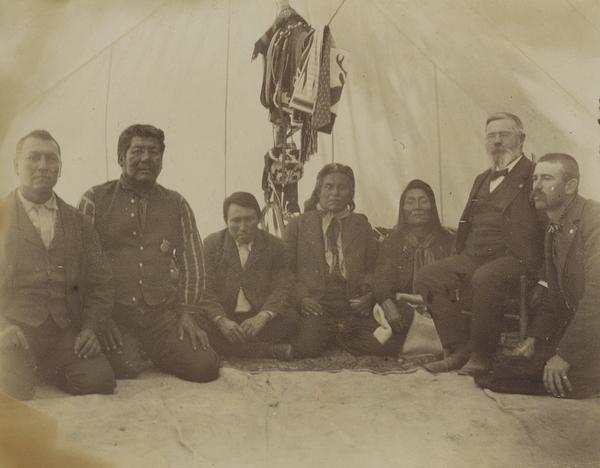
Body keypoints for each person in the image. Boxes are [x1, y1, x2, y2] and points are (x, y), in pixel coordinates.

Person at [78, 124, 219, 383]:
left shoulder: (177, 203)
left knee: (205, 366)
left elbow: (194, 263)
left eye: (154, 152)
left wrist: (187, 314)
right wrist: (100, 319)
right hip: (115, 317)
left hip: (162, 319)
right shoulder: (94, 199)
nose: (146, 159)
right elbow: (79, 265)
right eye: (137, 151)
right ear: (121, 158)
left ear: (162, 160)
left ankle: (151, 351)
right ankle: (136, 352)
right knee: (125, 367)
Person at [414, 113, 543, 374]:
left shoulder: (534, 175)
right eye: (491, 136)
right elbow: (466, 224)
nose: (497, 141)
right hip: (474, 255)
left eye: (504, 135)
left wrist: (543, 277)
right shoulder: (482, 178)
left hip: (515, 257)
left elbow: (546, 228)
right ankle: (459, 348)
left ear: (521, 139)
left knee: (485, 277)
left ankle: (482, 356)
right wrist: (456, 255)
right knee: (428, 276)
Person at [0, 130, 115, 399]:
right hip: (15, 331)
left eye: (50, 159)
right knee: (13, 389)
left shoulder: (78, 221)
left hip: (63, 330)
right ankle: (23, 370)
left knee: (99, 380)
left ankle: (40, 368)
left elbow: (103, 281)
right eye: (33, 158)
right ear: (16, 166)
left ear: (60, 168)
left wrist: (91, 328)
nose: (42, 166)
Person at [476, 153, 600, 398]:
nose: (537, 186)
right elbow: (554, 298)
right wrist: (534, 338)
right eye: (535, 179)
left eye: (546, 179)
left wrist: (565, 355)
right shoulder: (553, 228)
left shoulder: (594, 221)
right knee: (500, 371)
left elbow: (596, 298)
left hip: (593, 327)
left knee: (557, 379)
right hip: (582, 330)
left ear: (570, 186)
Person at [284, 163, 394, 358]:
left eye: (342, 187)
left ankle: (335, 333)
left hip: (351, 303)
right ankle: (337, 332)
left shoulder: (361, 225)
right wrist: (302, 298)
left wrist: (368, 297)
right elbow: (284, 270)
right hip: (316, 303)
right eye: (329, 186)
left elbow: (373, 268)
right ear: (319, 190)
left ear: (351, 193)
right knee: (307, 347)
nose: (335, 193)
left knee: (381, 346)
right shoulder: (298, 225)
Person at [200, 192, 298, 359]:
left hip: (258, 317)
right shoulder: (211, 244)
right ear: (226, 221)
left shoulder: (276, 246)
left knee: (292, 318)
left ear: (259, 219)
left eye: (249, 219)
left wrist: (263, 316)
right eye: (236, 221)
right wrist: (221, 321)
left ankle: (231, 349)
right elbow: (204, 287)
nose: (243, 227)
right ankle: (266, 351)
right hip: (224, 316)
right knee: (197, 321)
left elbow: (283, 286)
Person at [374, 179, 455, 348]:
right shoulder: (393, 241)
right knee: (396, 321)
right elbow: (382, 281)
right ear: (403, 209)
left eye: (423, 201)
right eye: (410, 202)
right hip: (405, 306)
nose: (417, 207)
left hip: (439, 305)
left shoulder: (449, 240)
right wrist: (389, 306)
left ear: (432, 206)